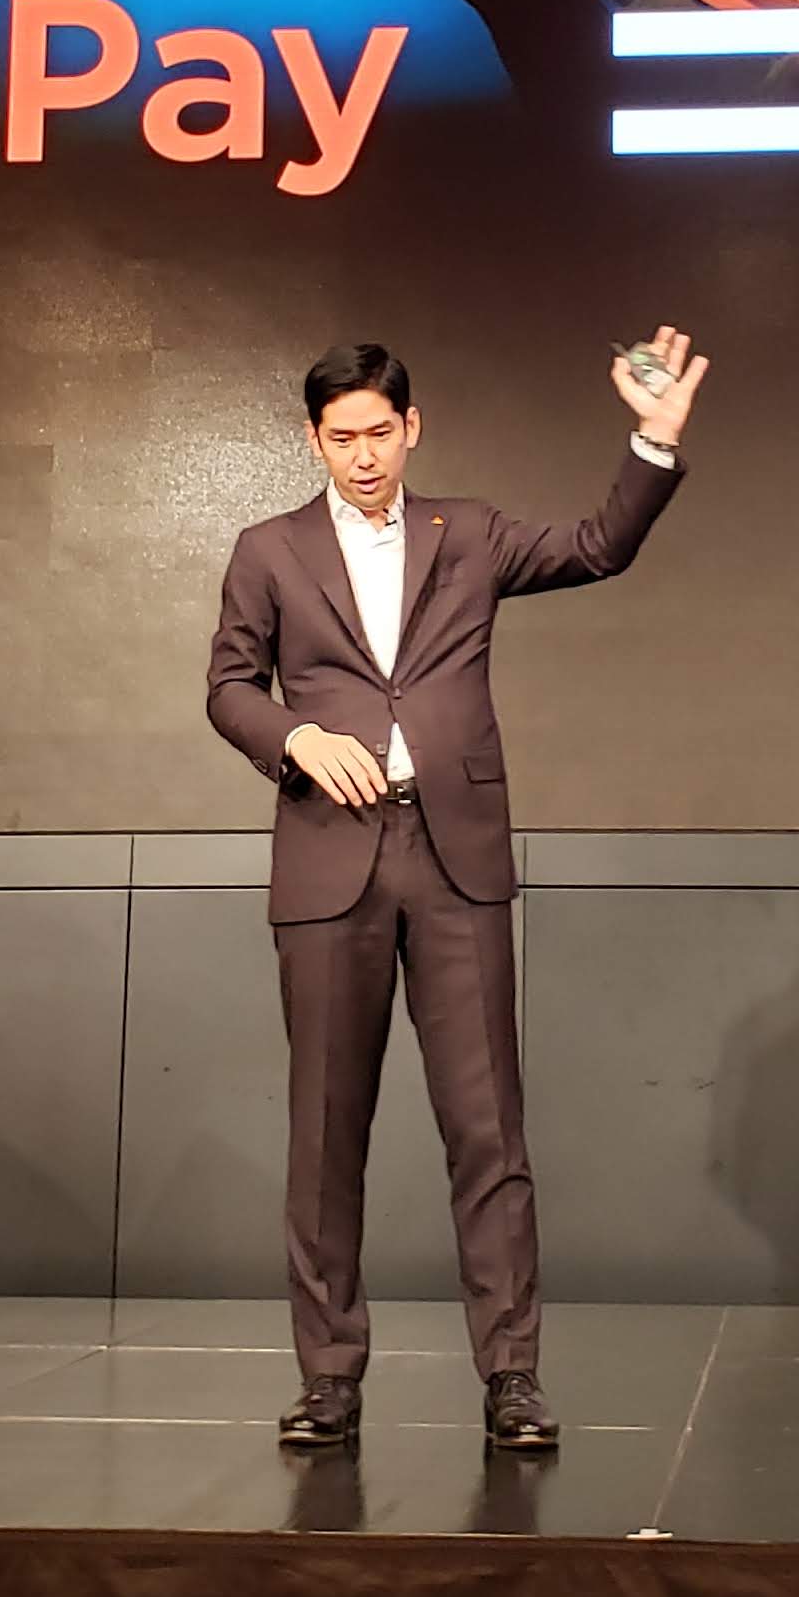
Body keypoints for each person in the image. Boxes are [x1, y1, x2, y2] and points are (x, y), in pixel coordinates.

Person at [203, 329, 707, 1452]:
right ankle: (329, 1379)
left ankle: (512, 1376)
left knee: (488, 1132)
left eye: (381, 433)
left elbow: (597, 547)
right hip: (330, 855)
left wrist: (653, 441)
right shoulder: (268, 549)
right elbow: (229, 685)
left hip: (455, 857)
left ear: (412, 428)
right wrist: (294, 738)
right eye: (343, 438)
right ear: (313, 440)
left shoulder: (467, 534)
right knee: (325, 1135)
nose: (364, 456)